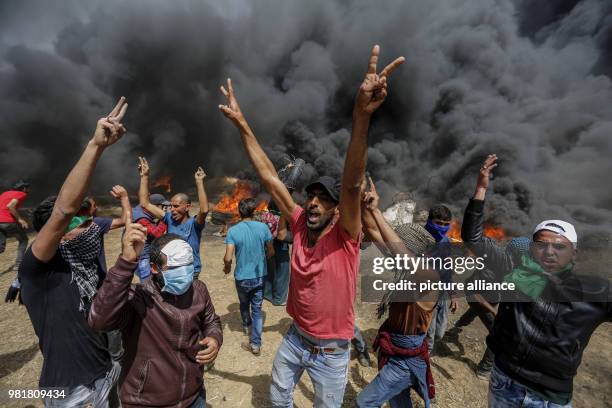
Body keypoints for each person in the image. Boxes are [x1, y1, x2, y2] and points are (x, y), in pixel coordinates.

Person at [218, 44, 405, 407]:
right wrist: (242, 123)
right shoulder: (300, 221)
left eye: (324, 198)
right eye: (311, 196)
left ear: (338, 209)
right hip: (295, 338)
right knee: (278, 398)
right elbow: (271, 179)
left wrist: (361, 117)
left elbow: (352, 182)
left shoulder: (345, 234)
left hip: (331, 355)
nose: (314, 202)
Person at [462, 154, 612, 408]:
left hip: (550, 397)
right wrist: (480, 189)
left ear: (573, 252)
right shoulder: (513, 267)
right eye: (541, 245)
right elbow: (473, 238)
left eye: (559, 246)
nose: (549, 252)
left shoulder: (594, 291)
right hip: (505, 382)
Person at [19, 97, 128, 407]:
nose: (86, 225)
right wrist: (96, 147)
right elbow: (64, 211)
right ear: (53, 233)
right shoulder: (37, 270)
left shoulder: (78, 259)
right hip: (70, 391)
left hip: (105, 372)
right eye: (74, 222)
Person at [88, 231, 222, 408]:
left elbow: (211, 321)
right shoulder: (139, 298)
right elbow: (99, 321)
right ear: (154, 268)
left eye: (188, 265)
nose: (185, 274)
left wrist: (214, 338)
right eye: (175, 268)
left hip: (194, 397)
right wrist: (125, 264)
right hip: (146, 402)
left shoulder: (198, 289)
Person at [356, 177, 439, 408]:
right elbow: (372, 230)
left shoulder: (428, 277)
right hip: (395, 349)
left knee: (364, 402)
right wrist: (364, 205)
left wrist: (377, 212)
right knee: (399, 402)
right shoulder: (407, 270)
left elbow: (399, 252)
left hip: (405, 359)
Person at [138, 158, 209, 279]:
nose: (172, 209)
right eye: (171, 206)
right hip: (170, 271)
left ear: (187, 207)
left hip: (190, 272)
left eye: (176, 206)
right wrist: (144, 176)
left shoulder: (194, 224)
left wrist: (199, 182)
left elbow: (204, 210)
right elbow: (145, 203)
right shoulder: (168, 218)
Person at [223, 198, 274, 355]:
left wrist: (227, 268)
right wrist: (263, 259)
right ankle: (256, 343)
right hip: (260, 276)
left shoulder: (233, 231)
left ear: (239, 212)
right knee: (257, 309)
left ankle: (246, 325)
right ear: (254, 212)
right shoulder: (263, 228)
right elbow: (271, 251)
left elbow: (228, 257)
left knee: (244, 303)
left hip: (242, 277)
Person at [423, 204, 458, 355]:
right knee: (430, 334)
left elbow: (448, 269)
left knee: (440, 333)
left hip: (442, 293)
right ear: (430, 221)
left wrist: (453, 294)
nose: (442, 227)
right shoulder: (420, 238)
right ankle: (425, 357)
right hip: (425, 294)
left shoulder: (446, 242)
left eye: (446, 224)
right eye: (438, 223)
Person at [2, 180, 30, 302]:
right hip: (7, 221)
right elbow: (10, 206)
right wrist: (20, 220)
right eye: (27, 187)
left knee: (0, 247)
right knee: (24, 240)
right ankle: (18, 265)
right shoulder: (21, 194)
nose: (28, 190)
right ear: (22, 188)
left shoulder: (5, 193)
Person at [131, 193, 168, 281]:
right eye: (162, 206)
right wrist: (165, 219)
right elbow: (156, 234)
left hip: (144, 255)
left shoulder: (143, 211)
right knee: (147, 283)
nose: (163, 209)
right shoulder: (141, 219)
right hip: (142, 258)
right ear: (153, 206)